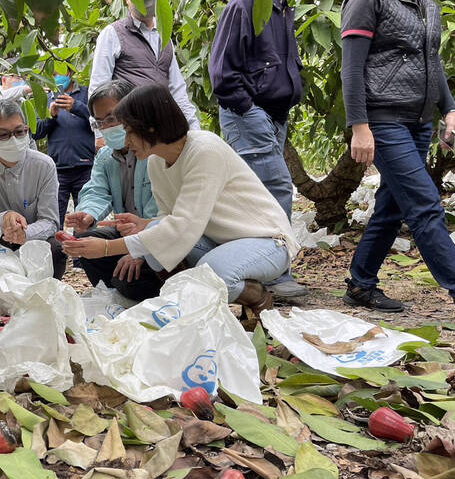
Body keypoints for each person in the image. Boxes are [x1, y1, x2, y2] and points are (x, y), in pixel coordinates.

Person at [61, 84, 300, 318]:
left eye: (130, 131)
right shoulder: (157, 161)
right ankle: (188, 306)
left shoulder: (204, 150)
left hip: (267, 241)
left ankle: (256, 296)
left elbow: (182, 226)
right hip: (218, 241)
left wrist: (106, 248)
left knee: (211, 273)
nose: (126, 140)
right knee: (157, 234)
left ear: (151, 128)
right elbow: (168, 218)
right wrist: (143, 227)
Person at [340, 0, 455, 322]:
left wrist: (450, 110)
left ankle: (360, 284)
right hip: (383, 120)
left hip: (419, 121)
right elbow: (351, 69)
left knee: (393, 205)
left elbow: (433, 59)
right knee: (425, 203)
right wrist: (359, 126)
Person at [208, 0, 310, 299]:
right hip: (248, 115)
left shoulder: (282, 9)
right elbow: (222, 73)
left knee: (259, 195)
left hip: (271, 117)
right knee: (276, 189)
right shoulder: (246, 4)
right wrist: (250, 111)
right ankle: (276, 274)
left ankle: (263, 269)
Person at [65, 80, 162, 301]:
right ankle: (116, 293)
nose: (108, 127)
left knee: (129, 282)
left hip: (160, 237)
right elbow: (96, 190)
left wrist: (140, 250)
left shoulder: (156, 152)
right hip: (128, 232)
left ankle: (133, 291)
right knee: (85, 244)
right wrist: (88, 215)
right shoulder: (107, 156)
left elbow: (165, 211)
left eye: (112, 118)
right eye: (101, 122)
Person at [89, 0, 200, 147]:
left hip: (161, 135)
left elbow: (178, 91)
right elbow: (98, 88)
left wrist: (195, 132)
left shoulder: (165, 38)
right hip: (128, 135)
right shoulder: (113, 34)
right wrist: (100, 136)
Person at [0, 99, 66, 280]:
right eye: (3, 135)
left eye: (19, 132)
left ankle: (45, 295)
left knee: (56, 249)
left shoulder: (43, 165)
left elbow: (50, 221)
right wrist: (4, 218)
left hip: (34, 238)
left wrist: (25, 233)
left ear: (27, 132)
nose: (14, 140)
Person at [33, 70, 96, 225]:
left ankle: (83, 247)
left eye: (58, 73)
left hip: (85, 166)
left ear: (70, 72)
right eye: (52, 74)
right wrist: (51, 116)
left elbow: (98, 119)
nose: (56, 78)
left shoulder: (87, 94)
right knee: (54, 218)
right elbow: (36, 132)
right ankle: (58, 248)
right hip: (57, 169)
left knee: (84, 219)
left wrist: (76, 107)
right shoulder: (45, 99)